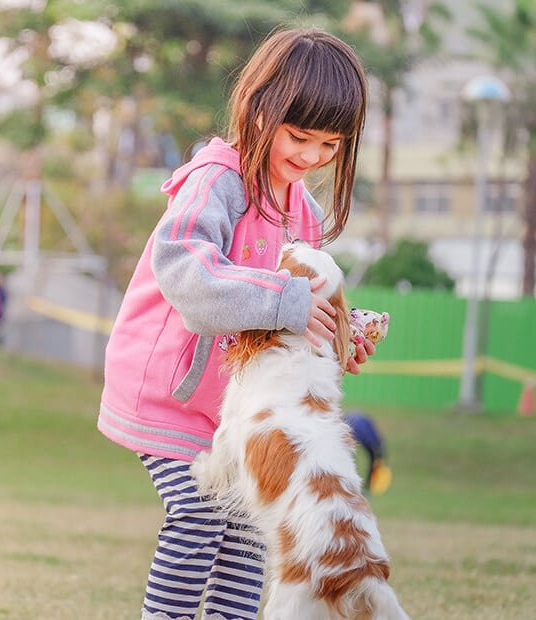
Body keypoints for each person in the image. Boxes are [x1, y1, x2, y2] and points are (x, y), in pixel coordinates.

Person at [97, 27, 374, 620]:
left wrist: (338, 332)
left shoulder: (304, 210)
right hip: (168, 392)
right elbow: (188, 274)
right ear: (258, 107)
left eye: (331, 144)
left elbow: (297, 307)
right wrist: (292, 301)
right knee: (198, 512)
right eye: (299, 136)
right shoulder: (216, 182)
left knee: (251, 528)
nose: (312, 156)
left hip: (238, 406)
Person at [343, 411, 392, 496]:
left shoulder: (368, 435)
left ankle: (365, 488)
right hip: (354, 429)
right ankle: (362, 488)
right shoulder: (361, 432)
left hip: (357, 429)